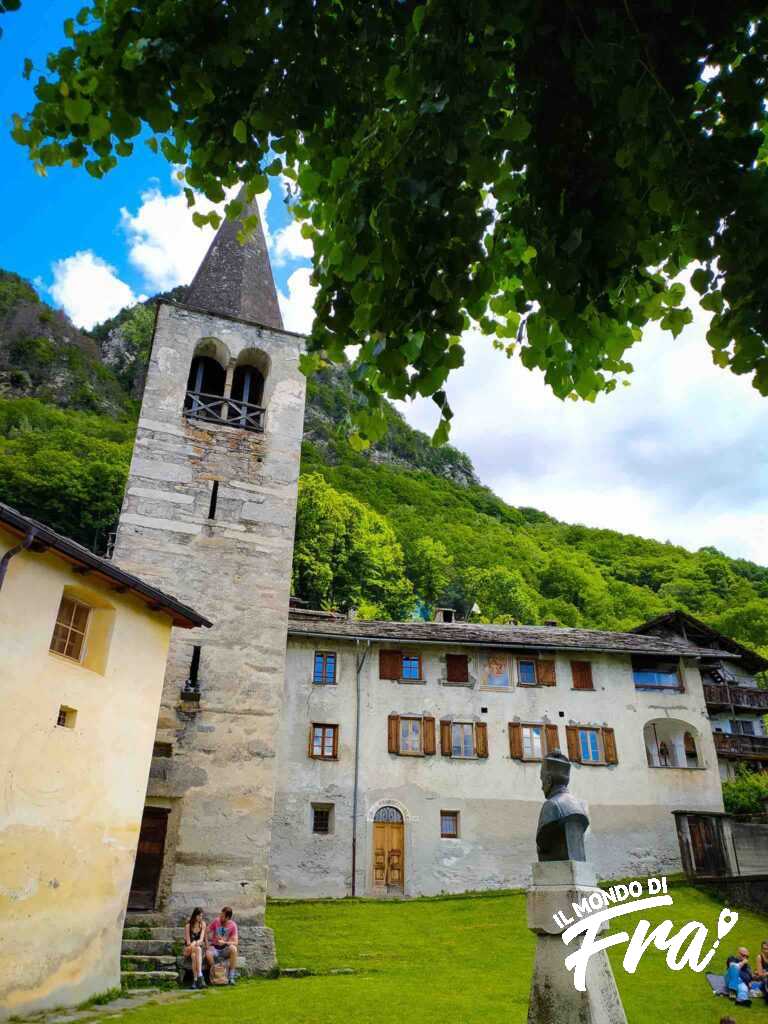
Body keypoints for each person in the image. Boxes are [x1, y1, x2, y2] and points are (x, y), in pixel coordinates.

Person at [206, 906, 238, 985]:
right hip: (215, 948)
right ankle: (215, 976)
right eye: (220, 914)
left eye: (222, 916)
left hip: (225, 949)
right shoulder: (216, 921)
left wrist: (225, 943)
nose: (220, 917)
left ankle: (231, 977)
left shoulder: (233, 925)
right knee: (208, 954)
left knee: (233, 949)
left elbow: (236, 942)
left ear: (228, 918)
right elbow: (206, 932)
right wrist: (207, 945)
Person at [183, 907, 207, 989]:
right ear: (195, 915)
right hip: (188, 949)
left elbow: (201, 939)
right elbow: (188, 942)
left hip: (196, 950)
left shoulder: (203, 924)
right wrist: (194, 943)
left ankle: (195, 980)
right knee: (197, 949)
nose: (201, 917)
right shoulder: (188, 926)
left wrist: (196, 943)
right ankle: (200, 975)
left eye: (202, 916)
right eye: (199, 916)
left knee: (194, 955)